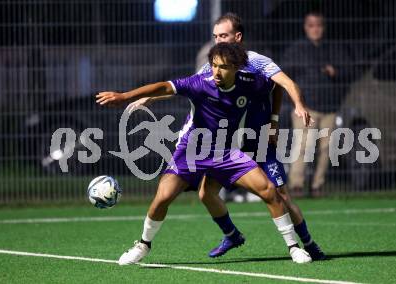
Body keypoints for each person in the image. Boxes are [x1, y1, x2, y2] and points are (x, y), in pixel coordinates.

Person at [96, 43, 312, 265]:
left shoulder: (251, 83)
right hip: (191, 152)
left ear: (237, 67)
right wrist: (125, 97)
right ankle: (143, 245)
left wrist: (277, 117)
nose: (217, 72)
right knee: (163, 197)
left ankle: (294, 247)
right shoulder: (200, 83)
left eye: (224, 67)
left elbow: (277, 86)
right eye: (214, 65)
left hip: (225, 152)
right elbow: (163, 87)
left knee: (269, 190)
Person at [136, 13, 326, 261]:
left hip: (258, 140)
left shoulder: (257, 63)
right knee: (206, 193)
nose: (218, 41)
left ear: (238, 37)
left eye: (223, 36)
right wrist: (153, 97)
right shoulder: (213, 66)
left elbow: (280, 84)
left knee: (280, 194)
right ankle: (232, 235)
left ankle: (308, 245)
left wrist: (276, 119)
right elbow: (191, 87)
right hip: (229, 144)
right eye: (215, 36)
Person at [282, 11, 355, 198]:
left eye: (318, 25)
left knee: (326, 148)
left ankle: (317, 186)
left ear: (323, 27)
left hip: (330, 106)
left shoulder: (334, 48)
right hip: (306, 107)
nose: (315, 29)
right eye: (311, 25)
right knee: (303, 146)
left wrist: (335, 71)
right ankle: (296, 185)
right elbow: (285, 76)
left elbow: (350, 71)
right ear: (305, 27)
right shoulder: (296, 49)